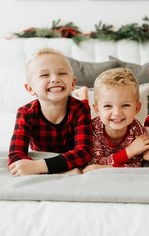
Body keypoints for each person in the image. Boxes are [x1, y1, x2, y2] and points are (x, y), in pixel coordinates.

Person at [8, 48, 92, 176]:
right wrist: (29, 165)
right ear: (30, 89)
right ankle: (83, 95)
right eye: (44, 75)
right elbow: (15, 155)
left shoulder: (81, 110)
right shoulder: (25, 113)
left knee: (84, 106)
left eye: (62, 73)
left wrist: (39, 166)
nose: (55, 79)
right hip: (61, 160)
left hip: (65, 154)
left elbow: (84, 152)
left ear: (73, 83)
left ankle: (84, 95)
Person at [82, 68, 149, 173]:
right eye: (108, 106)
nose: (117, 113)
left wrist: (104, 168)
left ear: (137, 108)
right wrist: (129, 152)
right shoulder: (92, 130)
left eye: (125, 105)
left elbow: (137, 164)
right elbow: (93, 162)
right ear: (97, 110)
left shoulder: (138, 131)